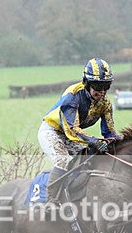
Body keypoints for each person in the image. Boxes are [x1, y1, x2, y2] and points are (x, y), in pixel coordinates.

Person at [38, 57, 123, 205]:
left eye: (106, 86)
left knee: (91, 158)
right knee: (62, 160)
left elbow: (109, 133)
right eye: (97, 86)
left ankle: (79, 195)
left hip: (71, 136)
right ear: (87, 83)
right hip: (52, 131)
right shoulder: (73, 95)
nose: (101, 92)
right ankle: (50, 200)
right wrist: (94, 142)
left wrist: (123, 142)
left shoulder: (105, 103)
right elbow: (72, 130)